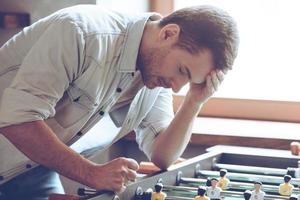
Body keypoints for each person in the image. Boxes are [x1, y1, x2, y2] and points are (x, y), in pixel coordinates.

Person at [0, 4, 239, 200]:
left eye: (189, 81)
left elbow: (162, 155)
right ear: (168, 34)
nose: (176, 86)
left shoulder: (155, 77)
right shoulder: (81, 32)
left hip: (33, 171)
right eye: (181, 70)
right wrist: (90, 172)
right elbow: (18, 117)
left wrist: (194, 102)